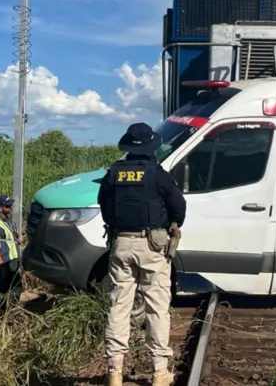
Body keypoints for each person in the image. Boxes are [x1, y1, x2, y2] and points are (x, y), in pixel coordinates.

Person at [98, 122, 186, 386]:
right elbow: (178, 208)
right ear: (151, 146)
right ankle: (160, 373)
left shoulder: (113, 172)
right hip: (152, 247)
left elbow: (104, 204)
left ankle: (114, 371)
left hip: (120, 244)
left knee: (119, 306)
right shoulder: (157, 174)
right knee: (157, 308)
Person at [0, 194, 23, 315]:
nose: (10, 207)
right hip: (4, 264)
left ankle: (13, 314)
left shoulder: (8, 221)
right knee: (1, 291)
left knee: (16, 289)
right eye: (7, 206)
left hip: (13, 263)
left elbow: (13, 239)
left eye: (11, 205)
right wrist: (1, 265)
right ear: (0, 208)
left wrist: (19, 238)